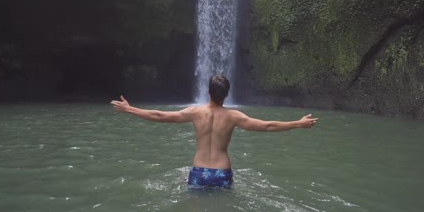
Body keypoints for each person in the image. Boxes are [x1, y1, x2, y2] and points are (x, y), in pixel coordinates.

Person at [110, 75, 318, 188]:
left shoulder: (195, 112)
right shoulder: (233, 116)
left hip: (198, 172)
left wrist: (129, 109)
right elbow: (267, 125)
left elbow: (159, 116)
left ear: (208, 92)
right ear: (226, 95)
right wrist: (298, 123)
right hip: (222, 173)